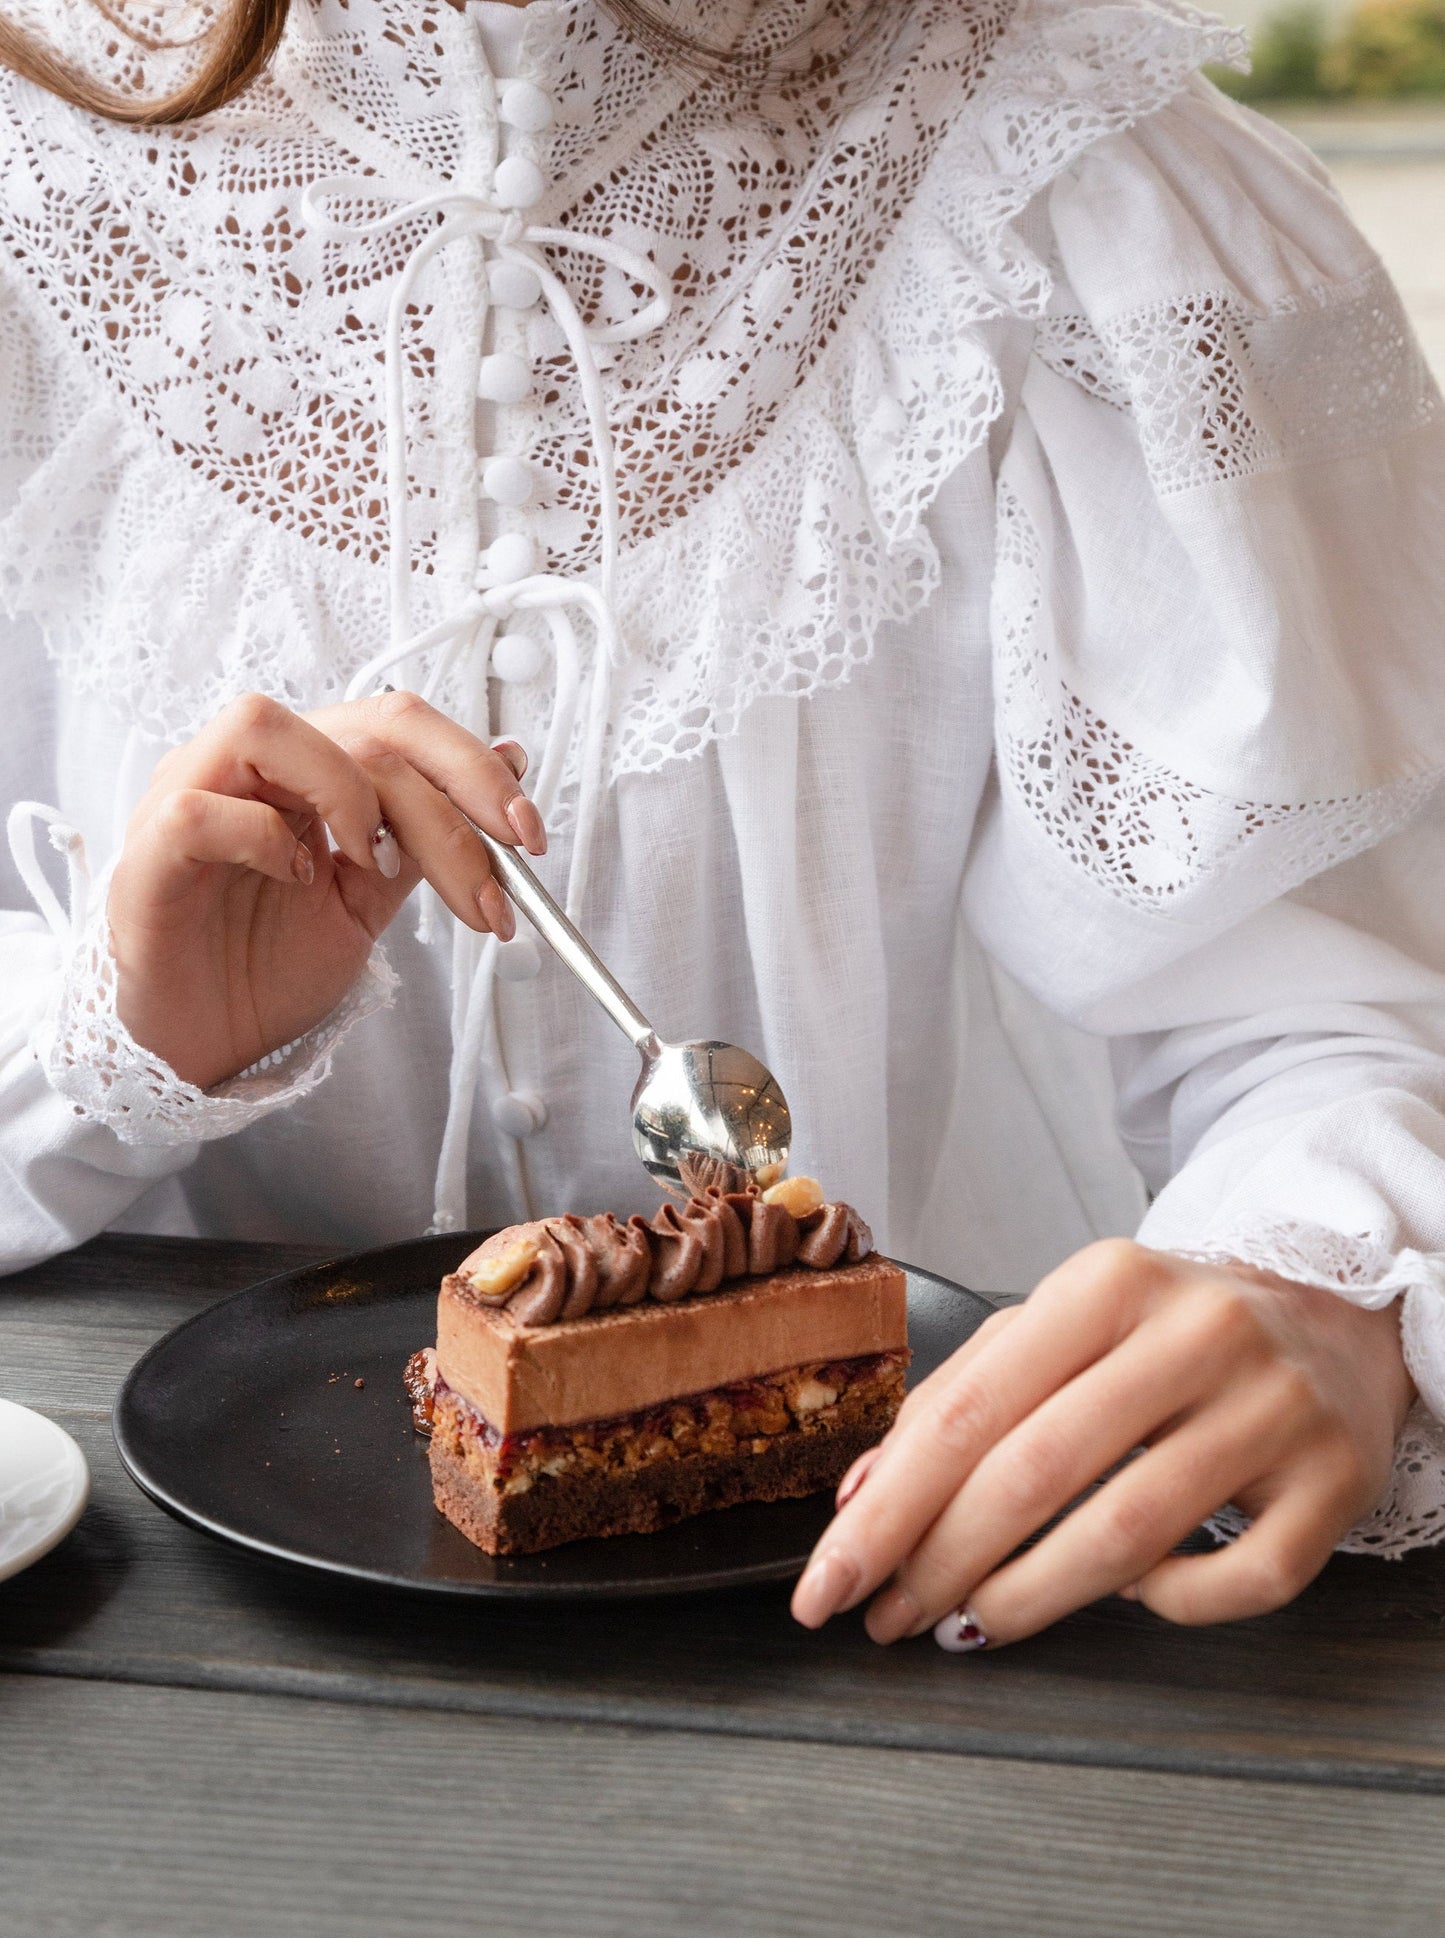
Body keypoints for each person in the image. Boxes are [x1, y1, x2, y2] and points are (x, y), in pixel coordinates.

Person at [2, 0, 1444, 1653]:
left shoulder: (1071, 172)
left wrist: (1324, 1272)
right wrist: (110, 1036)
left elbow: (1341, 1018)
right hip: (123, 1650)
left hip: (898, 1619)